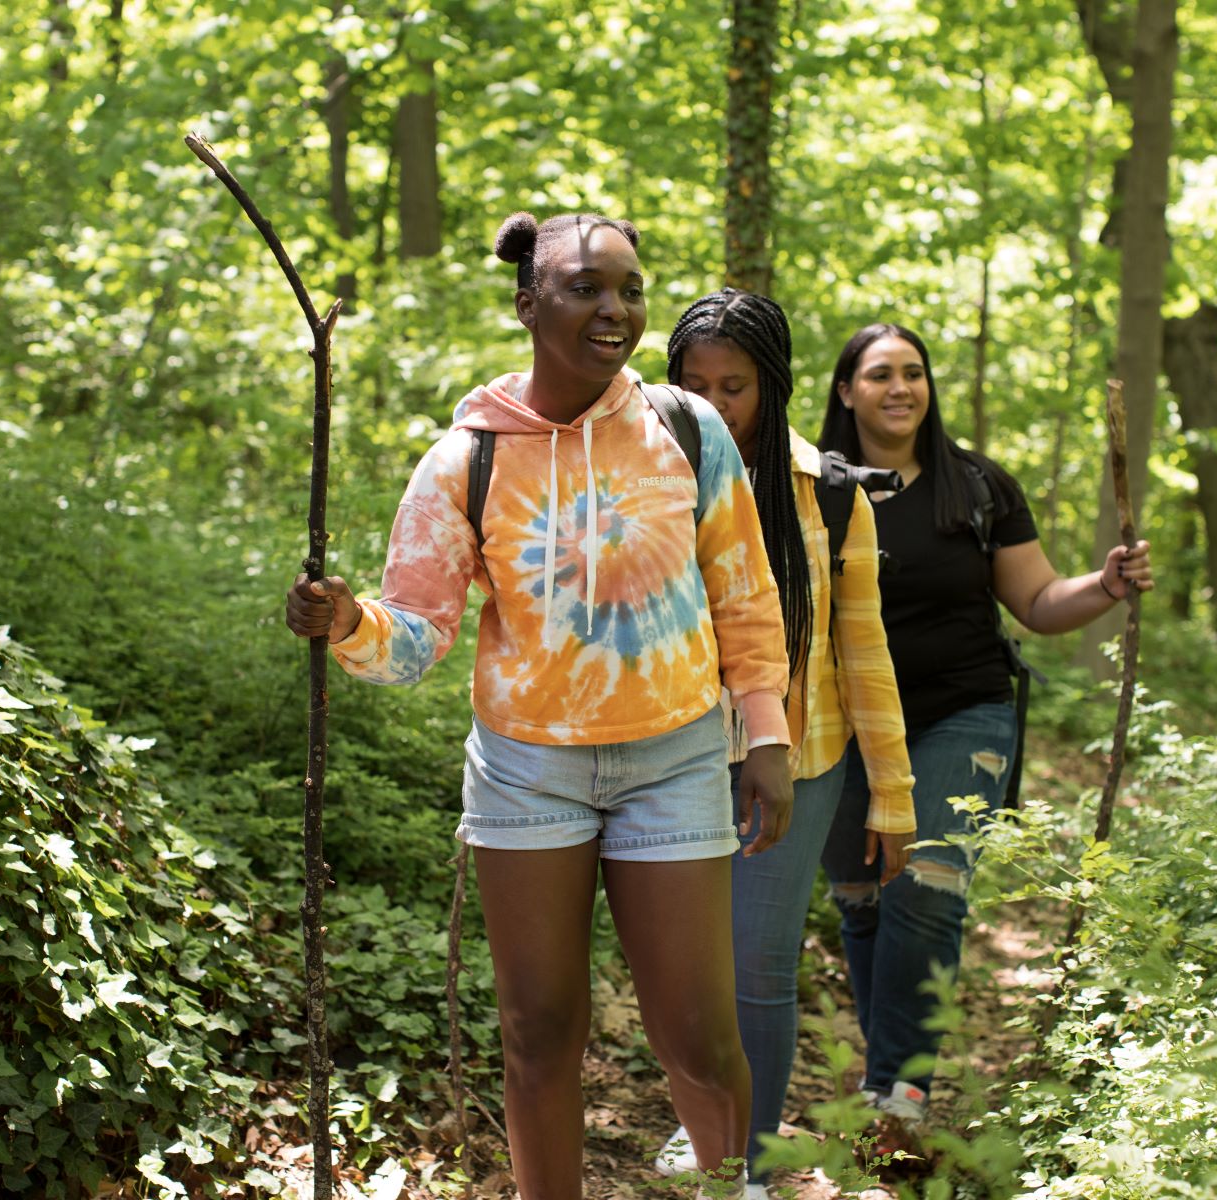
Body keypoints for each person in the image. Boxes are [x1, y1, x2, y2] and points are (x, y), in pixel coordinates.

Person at [283, 212, 794, 1199]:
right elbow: (416, 640)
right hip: (528, 773)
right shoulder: (466, 459)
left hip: (678, 760)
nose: (617, 310)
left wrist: (763, 734)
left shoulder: (686, 430)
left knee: (698, 1034)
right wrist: (348, 621)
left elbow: (745, 596)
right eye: (587, 288)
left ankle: (738, 1188)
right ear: (527, 302)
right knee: (537, 1032)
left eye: (630, 289)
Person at [814, 321, 1154, 1145]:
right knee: (862, 904)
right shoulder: (812, 487)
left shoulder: (975, 486)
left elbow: (1037, 603)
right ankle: (888, 1069)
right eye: (882, 374)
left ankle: (901, 1094)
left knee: (925, 887)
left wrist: (1104, 585)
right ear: (846, 390)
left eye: (915, 373)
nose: (902, 388)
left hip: (962, 711)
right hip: (844, 724)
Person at [649, 289, 920, 1194]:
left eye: (735, 386)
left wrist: (892, 796)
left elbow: (866, 652)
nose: (715, 405)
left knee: (756, 965)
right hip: (672, 755)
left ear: (774, 387)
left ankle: (751, 1165)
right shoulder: (643, 475)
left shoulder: (832, 495)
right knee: (686, 965)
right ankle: (707, 1126)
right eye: (695, 384)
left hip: (800, 758)